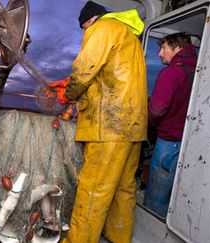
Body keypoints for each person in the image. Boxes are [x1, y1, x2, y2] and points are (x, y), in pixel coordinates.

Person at [51, 1, 147, 242]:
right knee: (123, 190)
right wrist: (68, 81)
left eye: (84, 27)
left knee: (93, 189)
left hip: (109, 126)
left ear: (92, 19)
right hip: (133, 127)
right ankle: (118, 237)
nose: (85, 33)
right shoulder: (129, 37)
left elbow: (84, 70)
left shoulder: (102, 28)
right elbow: (110, 73)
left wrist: (68, 93)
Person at [143, 32, 198, 218]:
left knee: (157, 195)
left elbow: (157, 109)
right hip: (188, 141)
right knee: (174, 193)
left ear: (177, 48)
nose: (159, 53)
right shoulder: (196, 72)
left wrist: (149, 123)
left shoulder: (172, 72)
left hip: (168, 142)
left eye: (164, 48)